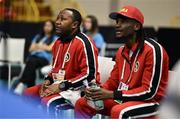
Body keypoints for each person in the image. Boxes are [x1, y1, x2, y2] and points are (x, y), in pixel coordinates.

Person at [75, 5, 169, 119]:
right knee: (82, 103)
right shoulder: (121, 51)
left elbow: (149, 92)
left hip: (152, 103)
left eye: (123, 21)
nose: (117, 25)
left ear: (136, 26)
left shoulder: (153, 50)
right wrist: (98, 92)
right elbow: (113, 82)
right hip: (124, 99)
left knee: (119, 111)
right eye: (117, 21)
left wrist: (112, 94)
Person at [23, 8, 99, 115]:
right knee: (28, 94)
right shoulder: (58, 42)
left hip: (80, 90)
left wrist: (61, 86)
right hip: (60, 85)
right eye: (57, 18)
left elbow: (90, 75)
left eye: (63, 19)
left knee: (48, 102)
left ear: (74, 24)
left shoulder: (84, 43)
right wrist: (48, 80)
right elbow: (55, 69)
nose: (57, 22)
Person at [13, 20, 57, 94]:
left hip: (45, 59)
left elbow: (50, 48)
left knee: (31, 61)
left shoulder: (55, 38)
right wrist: (44, 46)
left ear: (53, 27)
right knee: (31, 63)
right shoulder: (38, 36)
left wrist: (37, 46)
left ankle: (22, 83)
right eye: (45, 25)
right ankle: (30, 88)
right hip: (33, 58)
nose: (47, 27)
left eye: (49, 26)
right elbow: (30, 49)